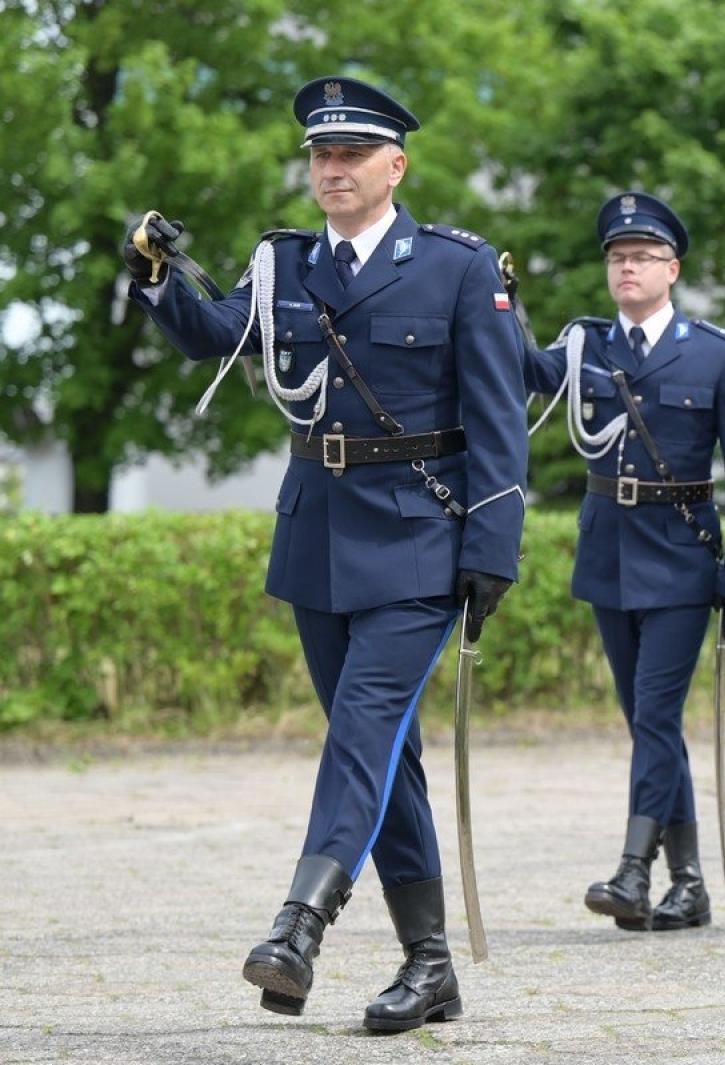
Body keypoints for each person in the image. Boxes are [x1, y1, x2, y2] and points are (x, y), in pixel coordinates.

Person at [122, 76, 527, 1029]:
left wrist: (494, 546)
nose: (332, 168)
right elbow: (216, 337)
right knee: (388, 754)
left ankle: (300, 924)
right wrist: (157, 277)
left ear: (396, 165)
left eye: (351, 154)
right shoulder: (284, 263)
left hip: (422, 537)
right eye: (320, 154)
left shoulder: (459, 268)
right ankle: (430, 965)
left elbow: (502, 422)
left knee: (361, 729)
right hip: (317, 533)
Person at [523, 192, 725, 931]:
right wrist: (494, 307)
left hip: (681, 553)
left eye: (641, 257)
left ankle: (633, 869)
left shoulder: (715, 351)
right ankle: (688, 881)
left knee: (657, 715)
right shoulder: (585, 344)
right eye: (617, 258)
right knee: (648, 724)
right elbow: (530, 374)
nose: (626, 268)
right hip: (609, 549)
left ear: (673, 268)